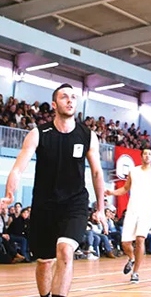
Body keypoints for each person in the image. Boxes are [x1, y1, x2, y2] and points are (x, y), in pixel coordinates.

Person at [1, 84, 106, 297]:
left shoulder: (87, 136)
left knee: (65, 251)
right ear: (55, 104)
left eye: (73, 97)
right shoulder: (38, 134)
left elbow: (97, 174)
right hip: (44, 205)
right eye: (64, 97)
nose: (70, 100)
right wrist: (9, 194)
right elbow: (18, 169)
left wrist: (101, 208)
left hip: (74, 203)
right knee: (44, 262)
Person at [105, 145, 151, 284]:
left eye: (149, 154)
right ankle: (132, 258)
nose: (147, 156)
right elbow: (125, 189)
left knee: (140, 240)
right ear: (141, 157)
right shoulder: (133, 171)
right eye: (144, 154)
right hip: (132, 209)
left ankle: (135, 273)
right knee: (125, 243)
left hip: (147, 210)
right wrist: (112, 193)